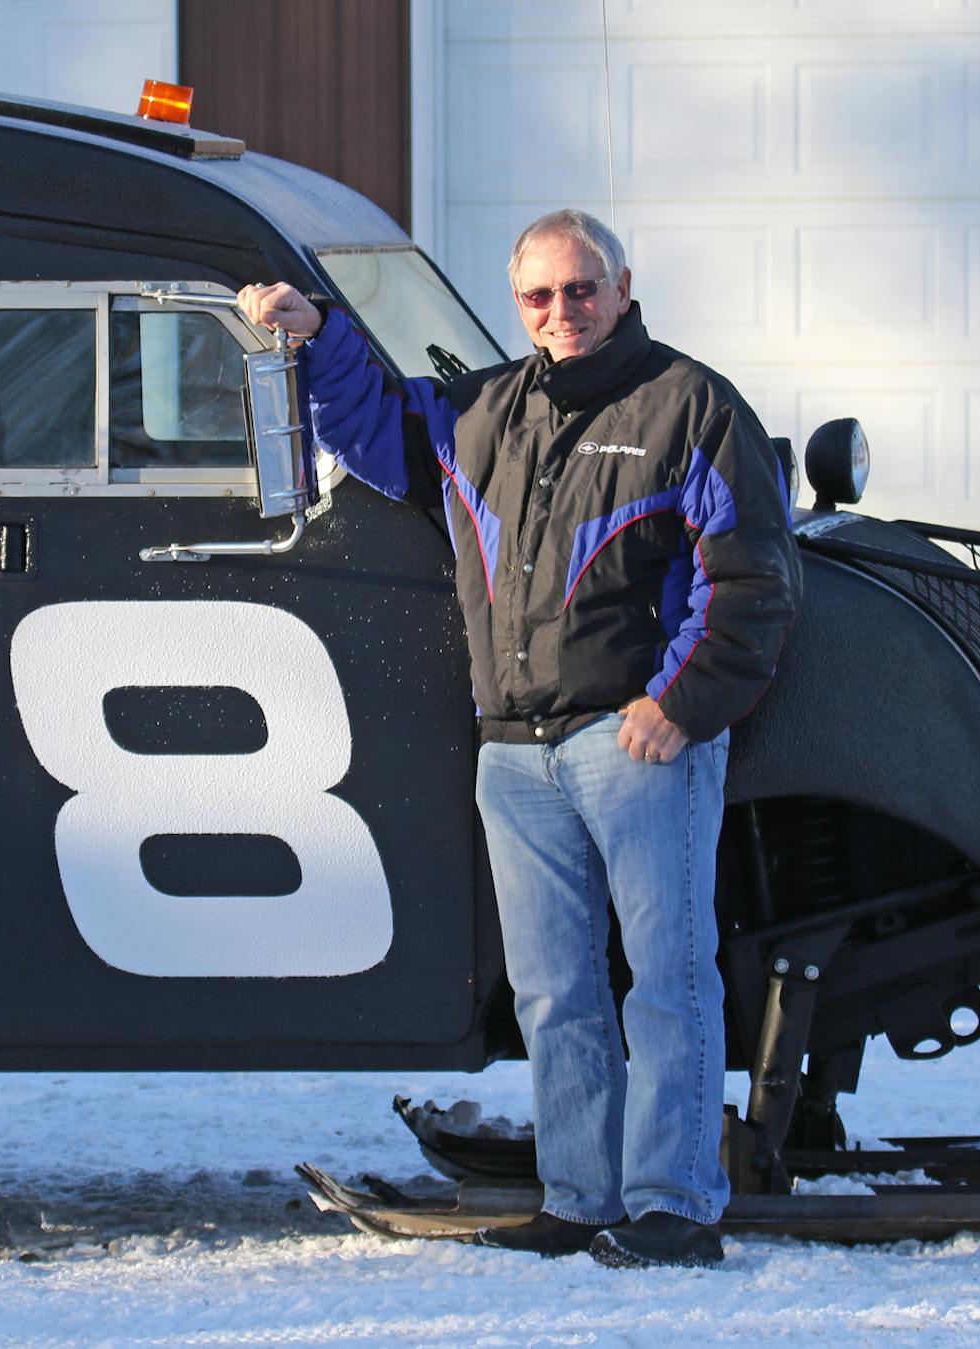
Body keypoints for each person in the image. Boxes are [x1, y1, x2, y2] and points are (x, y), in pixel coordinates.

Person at [238, 210, 799, 1270]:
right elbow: (376, 427)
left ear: (623, 287)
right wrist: (313, 333)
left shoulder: (690, 405)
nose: (561, 312)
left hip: (636, 748)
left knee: (668, 979)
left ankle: (674, 1204)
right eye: (539, 297)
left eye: (581, 290)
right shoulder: (485, 410)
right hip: (516, 755)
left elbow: (753, 580)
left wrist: (677, 703)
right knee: (553, 990)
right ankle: (581, 1195)